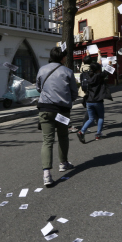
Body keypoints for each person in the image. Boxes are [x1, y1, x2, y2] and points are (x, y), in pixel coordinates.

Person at [36, 47, 79, 187]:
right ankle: (63, 163)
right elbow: (74, 92)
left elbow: (38, 87)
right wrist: (68, 100)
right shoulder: (68, 71)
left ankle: (46, 174)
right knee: (63, 136)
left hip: (45, 108)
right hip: (62, 110)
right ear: (62, 58)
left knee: (47, 141)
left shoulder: (42, 69)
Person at [76, 60, 112, 142]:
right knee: (100, 117)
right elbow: (106, 72)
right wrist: (110, 65)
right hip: (98, 100)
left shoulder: (87, 75)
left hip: (89, 100)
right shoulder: (98, 76)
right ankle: (98, 135)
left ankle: (82, 131)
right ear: (98, 69)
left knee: (91, 118)